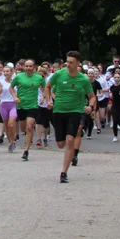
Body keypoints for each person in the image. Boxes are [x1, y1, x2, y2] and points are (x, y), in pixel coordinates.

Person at [45, 52, 96, 184]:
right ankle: (69, 139)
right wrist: (48, 101)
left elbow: (92, 96)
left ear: (78, 63)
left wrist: (90, 107)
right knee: (60, 143)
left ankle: (64, 172)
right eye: (67, 62)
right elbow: (48, 87)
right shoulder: (59, 74)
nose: (68, 65)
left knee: (69, 140)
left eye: (71, 62)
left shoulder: (83, 79)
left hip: (75, 111)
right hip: (58, 111)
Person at [11, 59, 45, 161]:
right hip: (21, 105)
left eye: (30, 66)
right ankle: (27, 137)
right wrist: (15, 97)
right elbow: (11, 88)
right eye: (27, 66)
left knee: (29, 127)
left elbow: (45, 88)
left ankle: (26, 151)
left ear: (34, 68)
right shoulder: (19, 77)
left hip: (33, 106)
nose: (28, 68)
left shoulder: (39, 78)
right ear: (24, 67)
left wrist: (43, 97)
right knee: (23, 129)